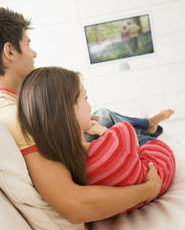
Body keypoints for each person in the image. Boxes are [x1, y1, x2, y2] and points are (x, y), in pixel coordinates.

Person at [0, 7, 163, 223]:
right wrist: (148, 190)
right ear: (10, 51)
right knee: (105, 118)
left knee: (100, 117)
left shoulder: (17, 102)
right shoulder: (15, 116)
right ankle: (145, 128)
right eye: (28, 44)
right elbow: (74, 205)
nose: (34, 53)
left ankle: (145, 126)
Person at [18, 66, 175, 215]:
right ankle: (147, 124)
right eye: (85, 98)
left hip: (123, 157)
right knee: (109, 118)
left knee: (104, 116)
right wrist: (101, 130)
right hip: (154, 153)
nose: (89, 105)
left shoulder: (70, 167)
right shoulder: (118, 139)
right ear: (68, 112)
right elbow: (123, 132)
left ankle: (148, 123)